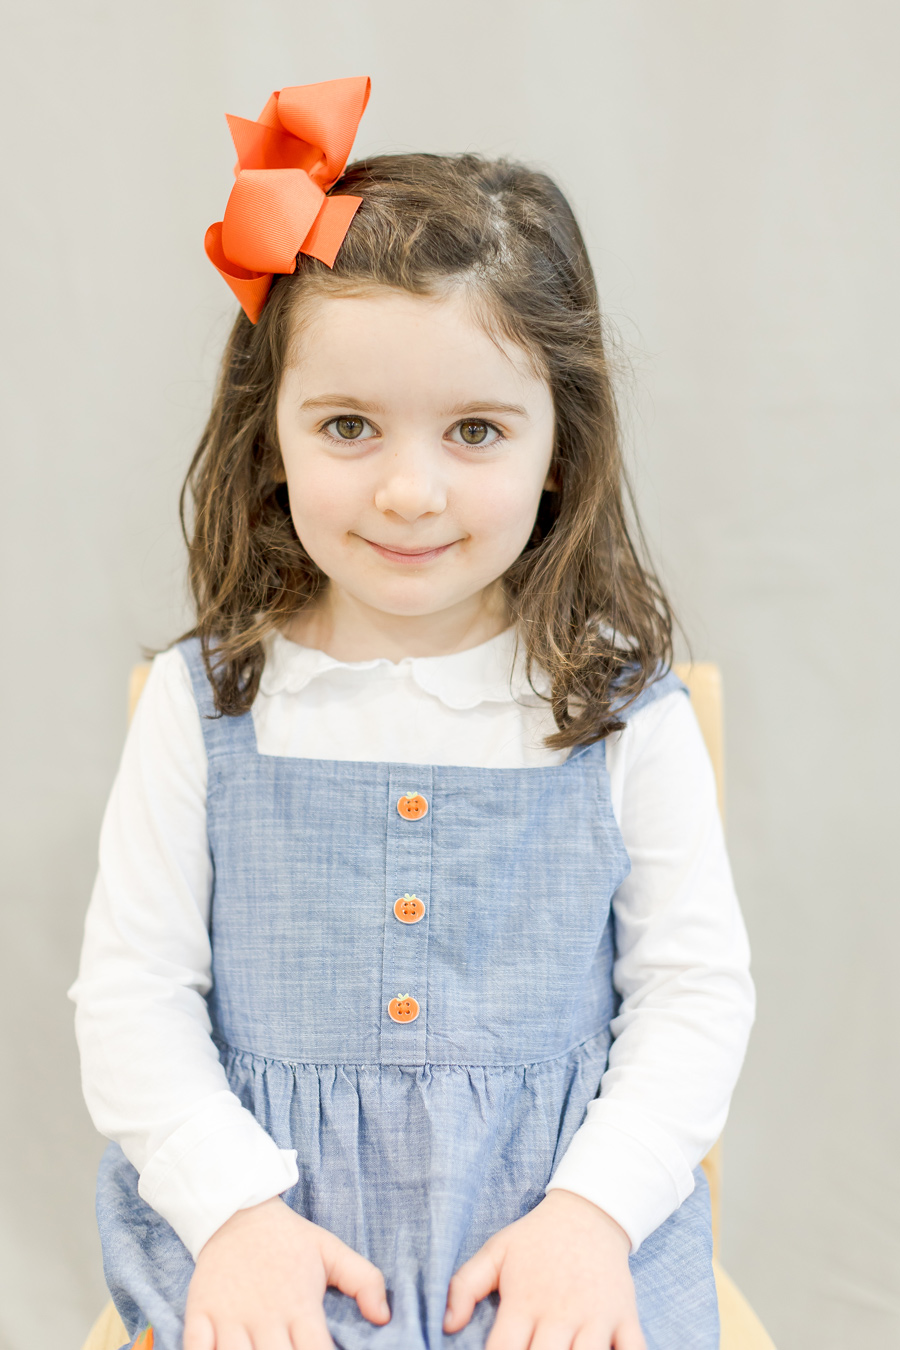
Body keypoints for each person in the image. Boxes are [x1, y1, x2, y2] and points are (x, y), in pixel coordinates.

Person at [70, 75, 755, 1350]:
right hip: (269, 1238)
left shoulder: (619, 711)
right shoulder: (206, 704)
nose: (408, 490)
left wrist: (592, 1217)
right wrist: (234, 1216)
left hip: (554, 1238)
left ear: (560, 450)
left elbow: (693, 997)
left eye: (476, 432)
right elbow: (133, 997)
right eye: (348, 425)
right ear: (270, 437)